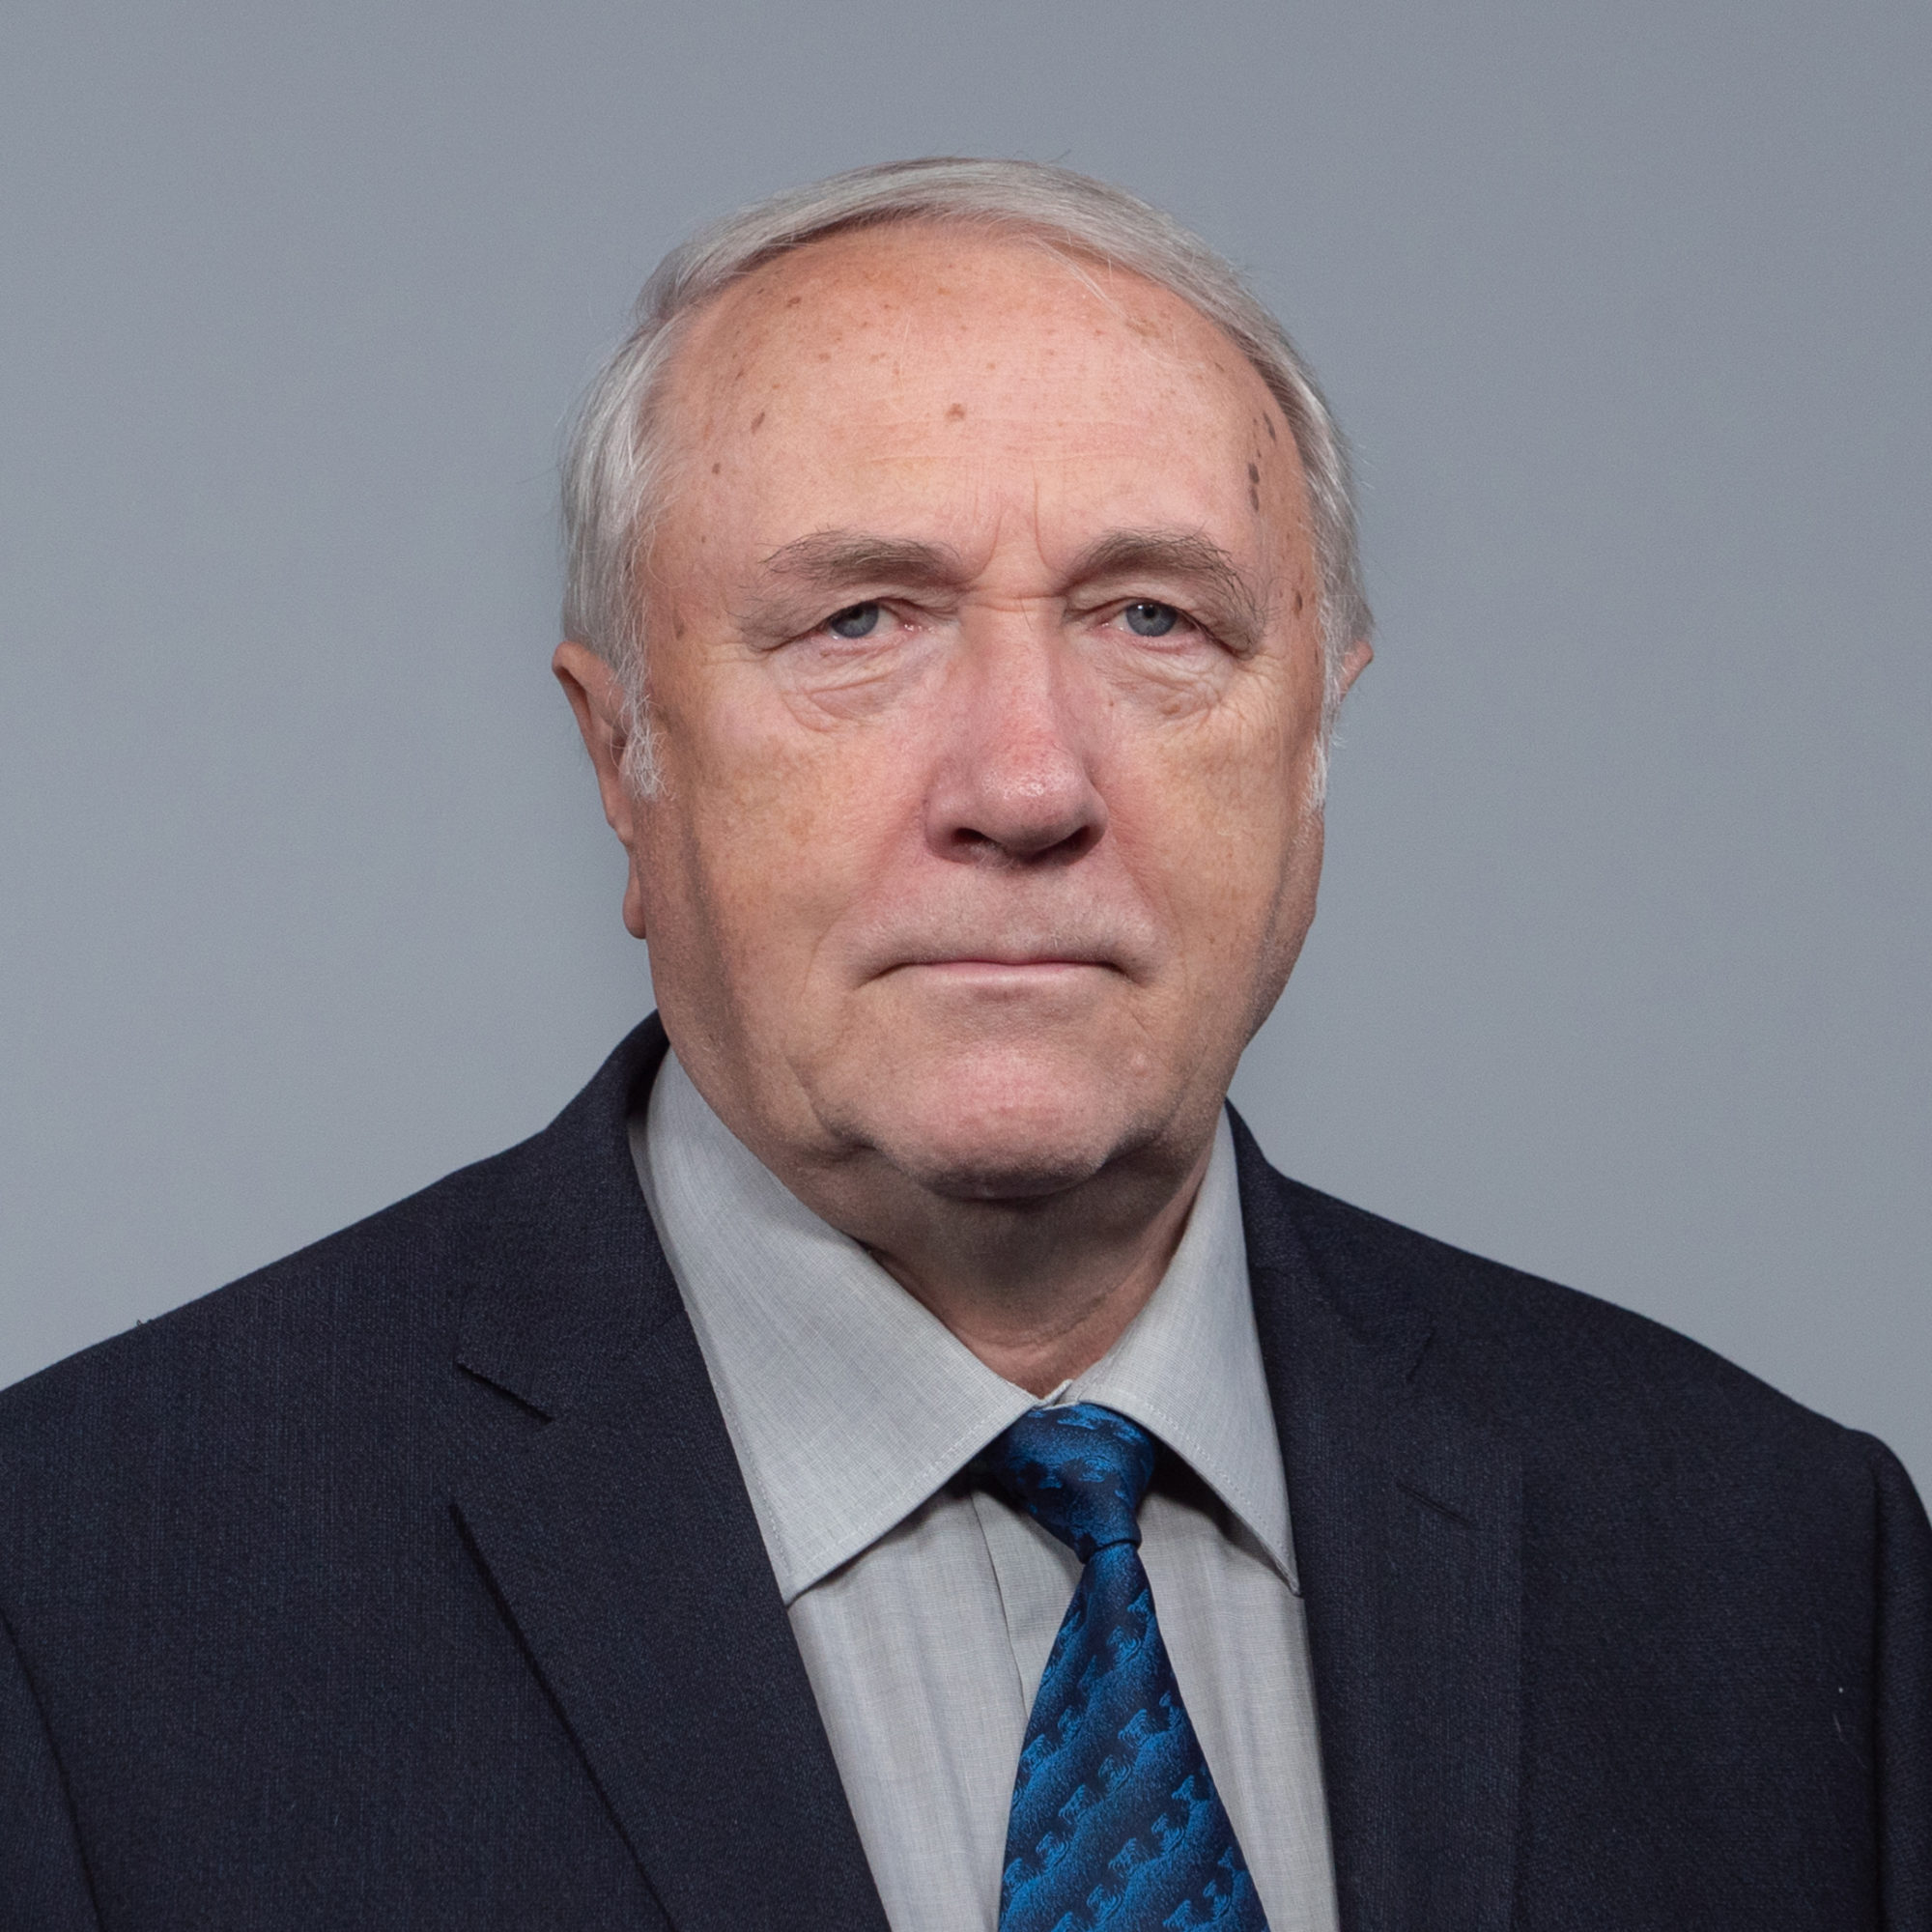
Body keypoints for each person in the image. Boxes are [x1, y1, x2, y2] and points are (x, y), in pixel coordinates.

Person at [1, 158, 1924, 1932]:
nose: (1024, 785)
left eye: (1154, 618)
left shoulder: (1775, 1563)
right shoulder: (81, 1590)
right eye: (860, 621)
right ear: (620, 757)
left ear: (1315, 742)